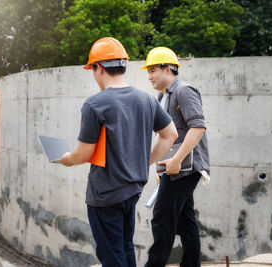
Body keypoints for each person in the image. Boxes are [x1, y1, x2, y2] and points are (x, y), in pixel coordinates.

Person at [60, 37, 178, 267]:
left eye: (92, 69)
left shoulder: (95, 104)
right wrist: (143, 161)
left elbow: (83, 154)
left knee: (112, 256)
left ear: (99, 68)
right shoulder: (146, 99)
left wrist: (66, 159)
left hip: (105, 194)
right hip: (132, 191)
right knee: (124, 247)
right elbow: (170, 134)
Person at [141, 47, 210, 267]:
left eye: (153, 70)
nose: (149, 75)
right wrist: (161, 169)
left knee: (162, 219)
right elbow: (166, 138)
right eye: (148, 71)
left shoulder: (184, 91)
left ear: (168, 68)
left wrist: (177, 160)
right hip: (173, 168)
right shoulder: (162, 97)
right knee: (185, 222)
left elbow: (197, 127)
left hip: (186, 168)